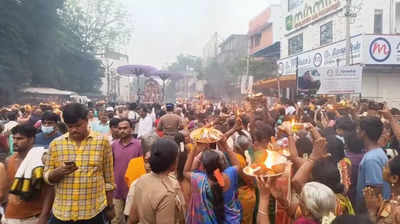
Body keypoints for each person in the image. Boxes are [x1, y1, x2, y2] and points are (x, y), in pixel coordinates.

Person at [44, 103, 115, 224]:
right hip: (62, 213)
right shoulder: (56, 144)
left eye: (78, 125)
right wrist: (57, 173)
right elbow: (47, 177)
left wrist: (110, 206)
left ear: (87, 120)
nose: (74, 130)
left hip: (93, 213)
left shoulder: (102, 142)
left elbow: (108, 180)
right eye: (70, 126)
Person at [184, 138, 242, 224]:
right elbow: (238, 165)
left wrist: (196, 149)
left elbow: (186, 171)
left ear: (203, 167)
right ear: (221, 164)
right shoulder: (229, 174)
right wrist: (225, 146)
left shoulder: (200, 180)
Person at [1, 124, 51, 224]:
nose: (15, 142)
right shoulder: (9, 160)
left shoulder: (40, 161)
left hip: (33, 217)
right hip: (10, 216)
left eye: (20, 139)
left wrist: (43, 216)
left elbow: (49, 191)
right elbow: (6, 191)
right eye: (13, 138)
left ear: (31, 140)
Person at [127, 139, 185, 224]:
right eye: (177, 158)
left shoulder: (142, 180)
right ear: (173, 162)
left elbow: (132, 218)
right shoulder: (167, 193)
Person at [356, 116, 391, 213]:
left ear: (363, 133)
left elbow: (375, 190)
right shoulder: (377, 152)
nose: (357, 131)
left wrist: (370, 215)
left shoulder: (371, 159)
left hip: (372, 212)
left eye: (359, 128)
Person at [111, 118, 142, 224]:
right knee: (116, 219)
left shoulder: (138, 145)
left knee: (132, 219)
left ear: (131, 129)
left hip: (133, 190)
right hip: (117, 188)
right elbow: (111, 165)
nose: (122, 131)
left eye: (125, 128)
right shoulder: (114, 145)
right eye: (120, 128)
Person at [364, 155, 400, 223]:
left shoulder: (397, 211)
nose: (382, 168)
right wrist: (376, 209)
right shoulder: (392, 200)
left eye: (385, 167)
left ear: (394, 178)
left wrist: (372, 212)